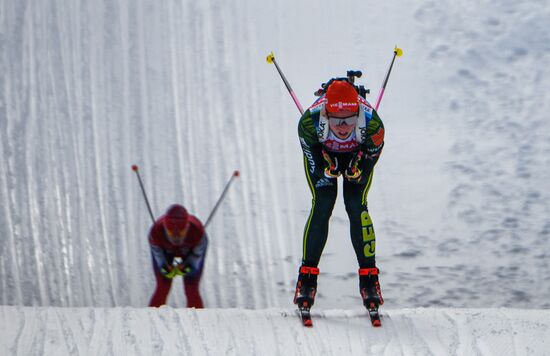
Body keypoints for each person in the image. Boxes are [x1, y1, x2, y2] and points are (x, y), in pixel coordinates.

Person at [294, 79, 385, 311]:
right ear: (326, 114)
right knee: (323, 203)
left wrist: (360, 170)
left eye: (350, 120)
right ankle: (307, 279)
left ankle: (370, 280)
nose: (344, 127)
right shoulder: (308, 123)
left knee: (357, 206)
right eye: (337, 121)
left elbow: (372, 156)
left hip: (358, 154)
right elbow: (313, 162)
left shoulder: (373, 125)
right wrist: (327, 167)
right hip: (323, 154)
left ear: (358, 113)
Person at [148, 204, 208, 308]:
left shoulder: (197, 231)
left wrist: (189, 266)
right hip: (166, 252)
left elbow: (196, 255)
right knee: (163, 286)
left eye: (181, 232)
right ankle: (150, 319)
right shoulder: (156, 232)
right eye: (170, 232)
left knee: (191, 288)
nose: (176, 237)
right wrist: (163, 266)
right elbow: (158, 254)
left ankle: (198, 321)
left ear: (187, 227)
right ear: (165, 227)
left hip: (190, 252)